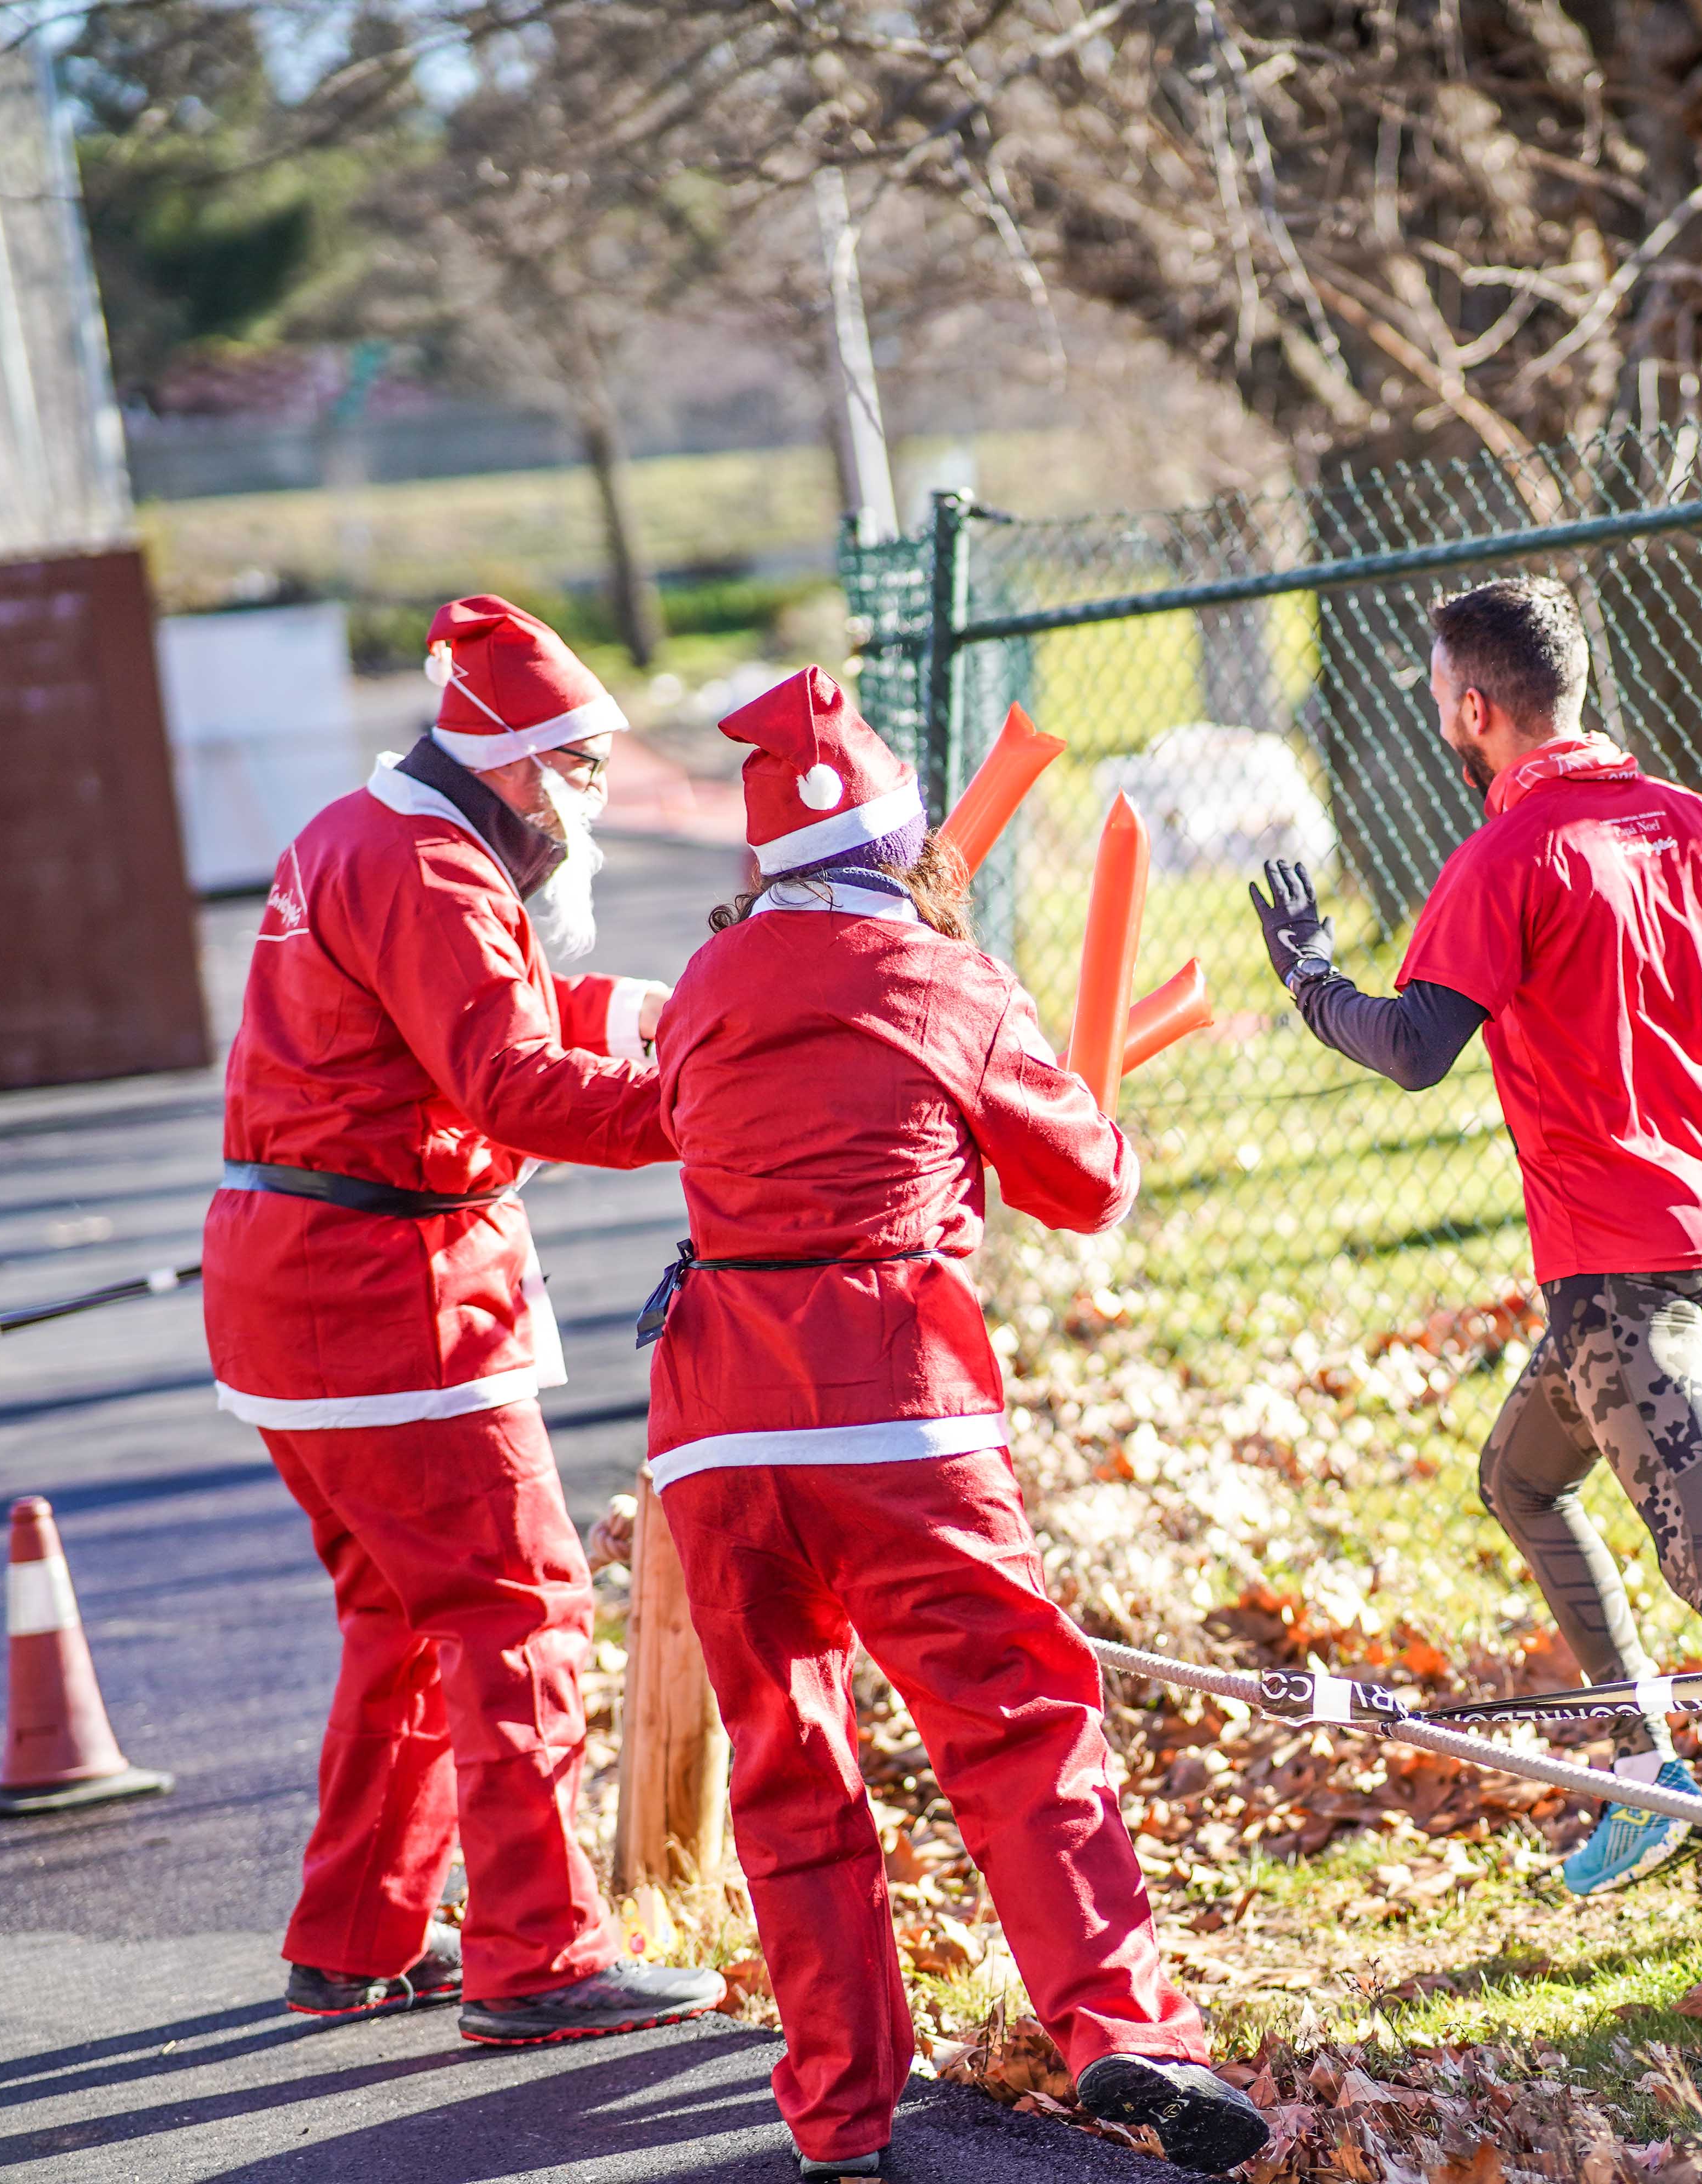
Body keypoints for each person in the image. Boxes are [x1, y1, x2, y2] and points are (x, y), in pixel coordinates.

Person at [1249, 574, 1702, 2000]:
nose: (1439, 716)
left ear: (1475, 708)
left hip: (1622, 1275)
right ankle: (1647, 1770)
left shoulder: (1508, 853)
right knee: (1519, 1480)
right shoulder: (1688, 820)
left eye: (1438, 698)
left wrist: (1311, 979)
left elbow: (1413, 1047)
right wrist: (1665, 961)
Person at [641, 668, 1264, 2182]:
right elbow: (1089, 1186)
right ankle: (1123, 2027)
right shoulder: (948, 980)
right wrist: (1083, 1113)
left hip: (717, 1431)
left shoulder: (706, 985)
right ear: (909, 846)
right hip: (896, 1410)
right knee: (1018, 1724)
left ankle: (838, 2114)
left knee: (789, 1762)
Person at [205, 594, 725, 2041]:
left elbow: (476, 1006)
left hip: (298, 1296)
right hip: (392, 1305)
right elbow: (508, 1079)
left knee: (404, 1621)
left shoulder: (360, 834)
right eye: (583, 769)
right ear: (515, 758)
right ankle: (541, 1955)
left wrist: (643, 1016)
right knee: (520, 1610)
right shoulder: (437, 867)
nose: (592, 800)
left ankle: (358, 1933)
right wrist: (720, 1103)